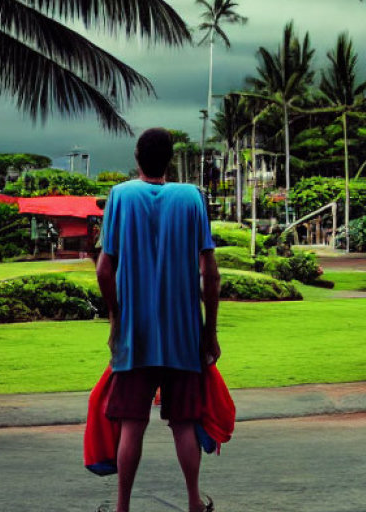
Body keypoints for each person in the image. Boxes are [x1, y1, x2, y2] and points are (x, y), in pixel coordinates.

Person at [96, 127, 221, 512]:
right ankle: (194, 504)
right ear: (170, 159)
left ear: (137, 157)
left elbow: (104, 269)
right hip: (183, 335)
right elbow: (210, 274)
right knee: (184, 423)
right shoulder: (192, 197)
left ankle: (122, 509)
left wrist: (116, 315)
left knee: (133, 424)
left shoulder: (120, 195)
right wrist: (209, 333)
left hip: (136, 334)